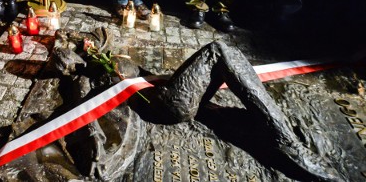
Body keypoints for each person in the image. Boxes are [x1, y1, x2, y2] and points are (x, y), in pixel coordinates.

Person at [50, 30, 342, 181]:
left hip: (184, 100)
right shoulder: (91, 79)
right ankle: (289, 144)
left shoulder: (107, 60)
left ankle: (284, 144)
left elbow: (108, 45)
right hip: (167, 106)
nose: (84, 48)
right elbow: (84, 111)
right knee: (219, 51)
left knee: (248, 125)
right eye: (78, 52)